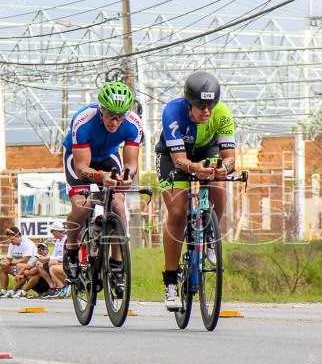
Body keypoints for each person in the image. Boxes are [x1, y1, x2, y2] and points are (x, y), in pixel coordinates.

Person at [157, 71, 236, 310]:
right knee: (178, 212)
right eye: (200, 106)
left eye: (210, 105)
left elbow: (230, 157)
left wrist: (224, 168)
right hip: (174, 158)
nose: (206, 111)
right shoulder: (173, 112)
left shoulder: (222, 113)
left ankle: (210, 234)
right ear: (189, 103)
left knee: (219, 188)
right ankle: (171, 283)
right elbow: (180, 160)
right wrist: (193, 169)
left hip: (206, 150)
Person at [59, 80, 141, 298]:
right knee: (83, 206)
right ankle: (72, 249)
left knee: (118, 206)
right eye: (111, 115)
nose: (116, 121)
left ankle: (116, 264)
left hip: (107, 157)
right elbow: (81, 167)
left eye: (121, 115)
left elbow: (131, 162)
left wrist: (128, 175)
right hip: (79, 159)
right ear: (101, 110)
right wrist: (99, 177)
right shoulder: (83, 121)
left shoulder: (133, 123)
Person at [0, 226, 38, 298]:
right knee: (3, 267)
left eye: (11, 239)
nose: (10, 241)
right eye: (9, 239)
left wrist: (10, 263)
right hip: (20, 266)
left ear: (18, 236)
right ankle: (3, 291)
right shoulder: (12, 244)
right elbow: (8, 258)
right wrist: (4, 262)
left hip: (30, 266)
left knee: (20, 265)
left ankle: (17, 290)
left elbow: (25, 260)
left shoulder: (27, 243)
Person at [47, 221, 68, 298]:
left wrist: (54, 260)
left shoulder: (66, 240)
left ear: (56, 231)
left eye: (52, 232)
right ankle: (53, 287)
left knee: (52, 267)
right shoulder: (57, 241)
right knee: (40, 264)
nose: (52, 234)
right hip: (59, 261)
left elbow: (65, 256)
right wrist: (48, 259)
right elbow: (54, 255)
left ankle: (62, 287)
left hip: (65, 263)